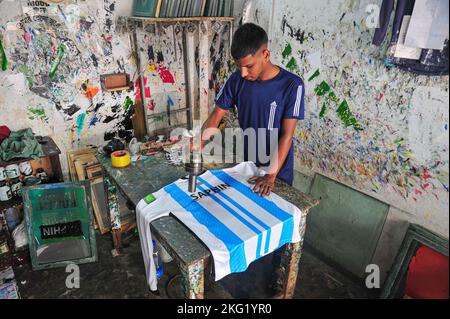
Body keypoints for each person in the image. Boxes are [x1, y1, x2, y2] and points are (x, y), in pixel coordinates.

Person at [198, 22, 306, 295]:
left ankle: (276, 270)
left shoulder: (292, 85)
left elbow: (287, 136)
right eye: (239, 67)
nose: (244, 73)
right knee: (247, 220)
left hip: (277, 170)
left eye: (249, 66)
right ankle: (246, 264)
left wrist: (271, 174)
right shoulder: (237, 80)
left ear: (265, 55)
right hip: (246, 165)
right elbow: (217, 116)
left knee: (275, 223)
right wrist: (196, 144)